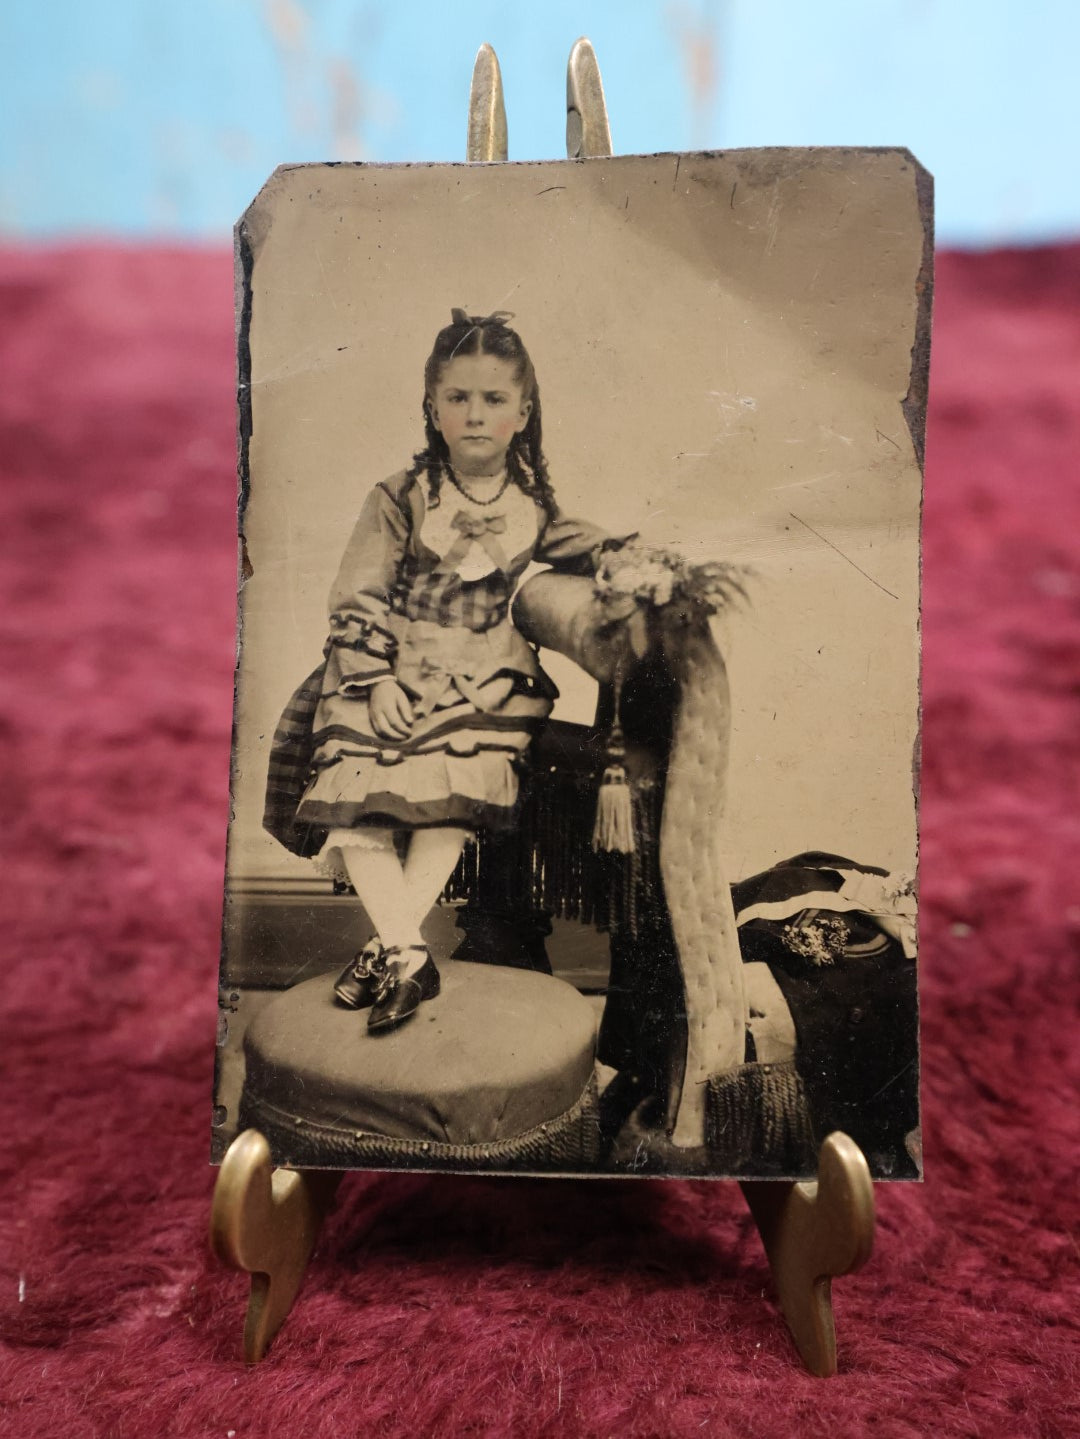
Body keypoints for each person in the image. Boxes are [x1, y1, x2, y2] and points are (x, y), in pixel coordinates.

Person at [285, 310, 615, 1033]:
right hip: (394, 665)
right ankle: (410, 951)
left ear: (523, 413)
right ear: (432, 408)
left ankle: (389, 950)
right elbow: (360, 592)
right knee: (360, 786)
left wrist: (628, 561)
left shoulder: (535, 509)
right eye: (458, 397)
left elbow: (592, 548)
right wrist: (375, 681)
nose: (475, 414)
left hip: (483, 674)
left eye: (494, 399)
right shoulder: (400, 496)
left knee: (460, 782)